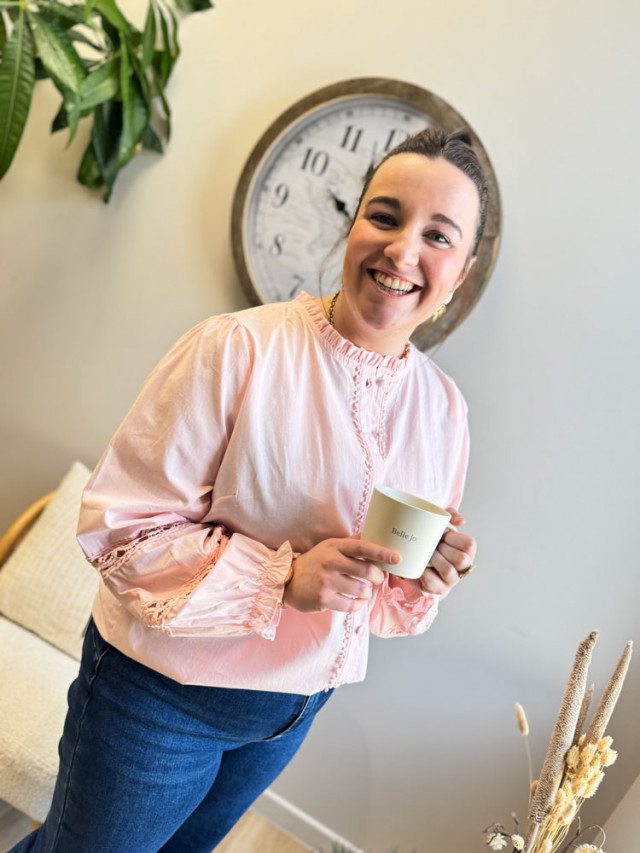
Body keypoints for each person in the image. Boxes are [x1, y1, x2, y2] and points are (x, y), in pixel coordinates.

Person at [11, 126, 483, 853]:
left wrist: (425, 576)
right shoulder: (237, 346)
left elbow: (381, 600)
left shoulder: (444, 411)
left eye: (438, 235)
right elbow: (121, 529)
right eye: (385, 216)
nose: (401, 250)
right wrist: (285, 577)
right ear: (353, 225)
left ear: (462, 272)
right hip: (157, 698)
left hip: (290, 712)